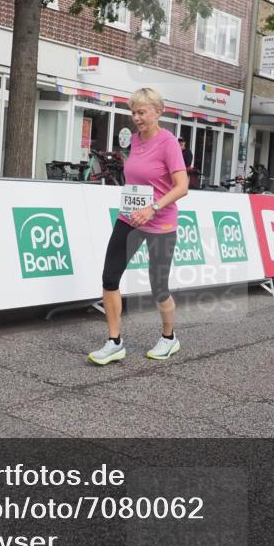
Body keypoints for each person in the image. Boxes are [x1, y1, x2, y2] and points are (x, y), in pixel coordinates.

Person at [89, 87, 188, 366]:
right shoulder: (133, 140)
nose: (136, 117)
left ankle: (169, 338)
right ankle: (114, 342)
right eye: (133, 112)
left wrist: (153, 207)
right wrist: (138, 207)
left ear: (158, 111)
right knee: (110, 277)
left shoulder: (168, 142)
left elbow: (182, 187)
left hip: (160, 221)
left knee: (159, 287)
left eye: (142, 112)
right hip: (130, 217)